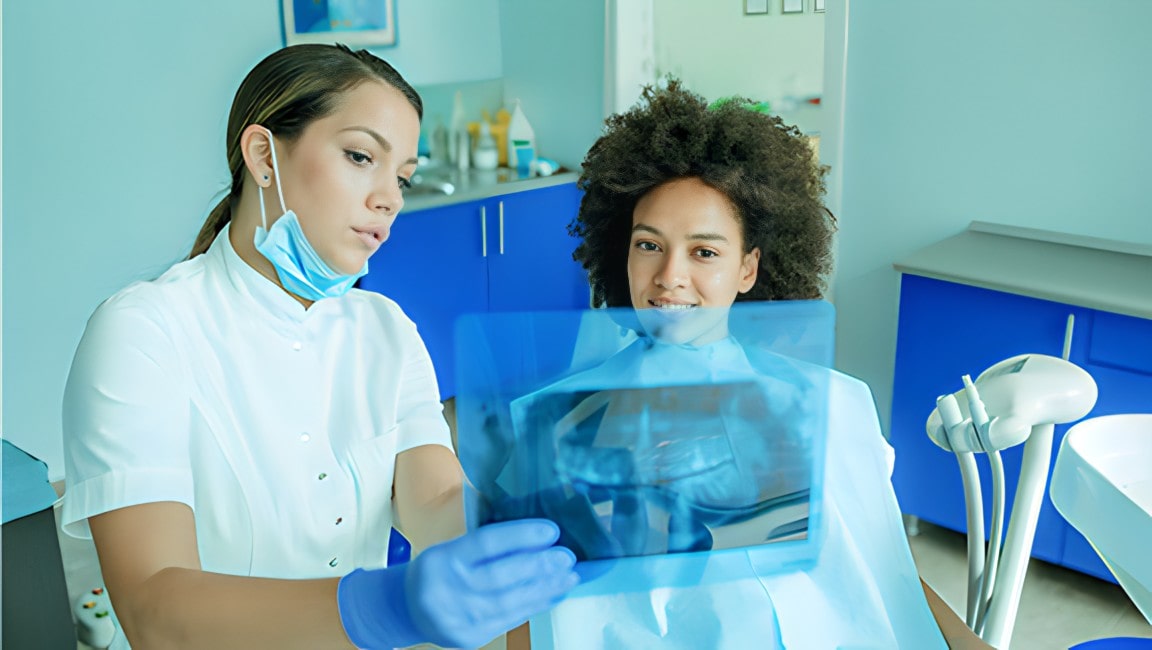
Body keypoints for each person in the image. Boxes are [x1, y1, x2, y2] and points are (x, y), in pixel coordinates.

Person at [60, 43, 578, 650]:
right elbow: (155, 606)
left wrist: (525, 523)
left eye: (403, 177)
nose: (390, 198)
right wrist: (383, 608)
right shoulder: (145, 332)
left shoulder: (387, 329)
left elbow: (434, 495)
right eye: (361, 156)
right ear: (263, 157)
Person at [484, 80, 989, 648]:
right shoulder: (560, 425)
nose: (670, 276)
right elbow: (528, 614)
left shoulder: (835, 404)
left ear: (748, 269)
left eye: (704, 252)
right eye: (648, 244)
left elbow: (882, 566)